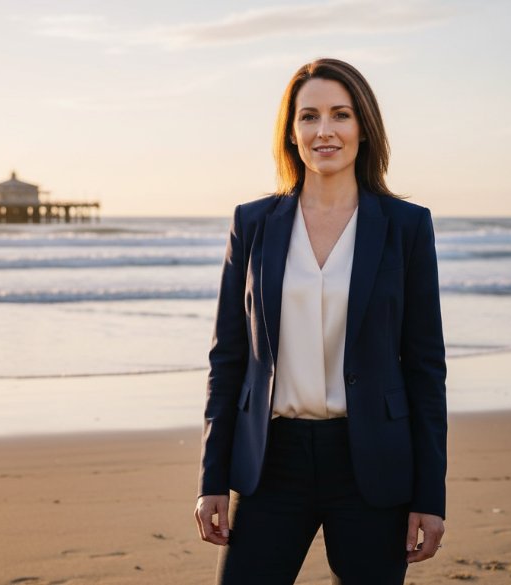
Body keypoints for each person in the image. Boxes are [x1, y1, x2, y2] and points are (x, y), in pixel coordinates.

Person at [193, 58, 447, 584]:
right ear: (291, 132)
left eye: (341, 114)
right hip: (272, 461)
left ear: (364, 127)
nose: (324, 130)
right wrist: (211, 477)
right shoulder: (253, 223)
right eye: (309, 116)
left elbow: (425, 367)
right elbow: (229, 357)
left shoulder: (407, 227)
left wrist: (430, 494)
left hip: (372, 463)